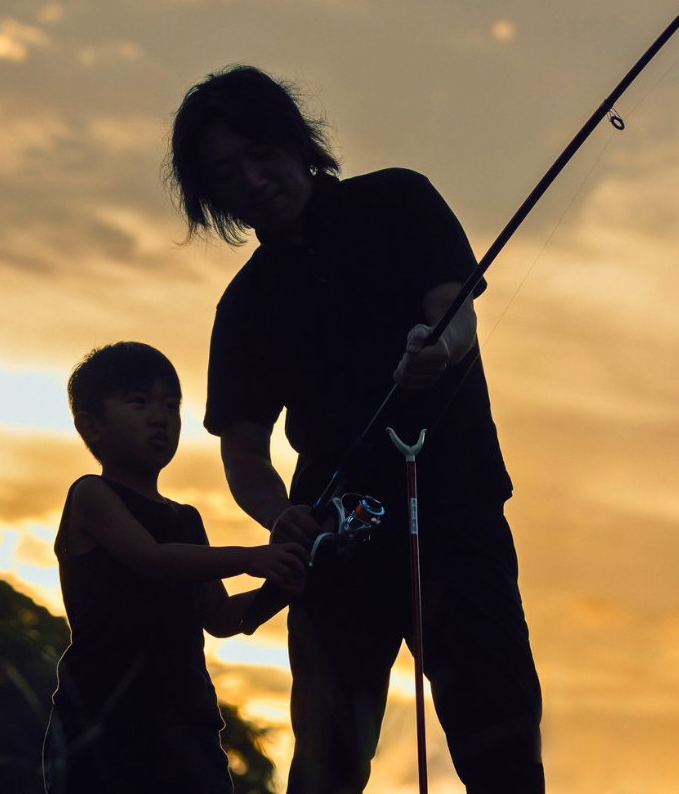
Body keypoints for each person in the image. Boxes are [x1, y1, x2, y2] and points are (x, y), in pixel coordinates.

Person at [167, 65, 545, 794]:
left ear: (294, 141)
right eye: (226, 172)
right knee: (327, 763)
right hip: (334, 539)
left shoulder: (400, 199)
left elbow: (456, 313)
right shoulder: (245, 304)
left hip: (457, 513)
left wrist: (438, 348)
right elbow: (242, 450)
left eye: (261, 153)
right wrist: (280, 515)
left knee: (501, 741)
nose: (253, 180)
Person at [43, 340, 308, 794]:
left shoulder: (186, 519)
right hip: (104, 723)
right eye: (139, 402)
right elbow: (152, 559)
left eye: (171, 405)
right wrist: (252, 557)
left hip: (188, 726)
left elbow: (219, 617)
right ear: (91, 426)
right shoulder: (91, 495)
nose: (159, 417)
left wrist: (285, 585)